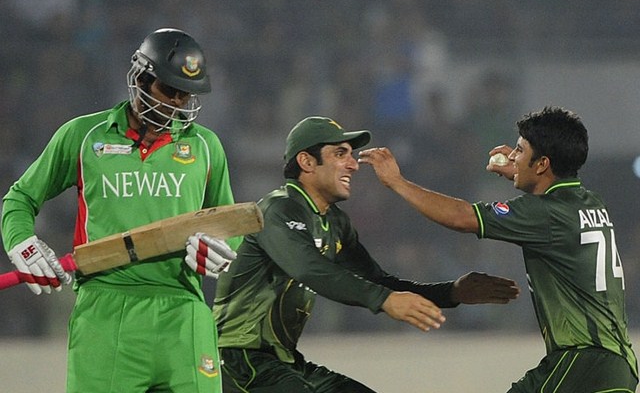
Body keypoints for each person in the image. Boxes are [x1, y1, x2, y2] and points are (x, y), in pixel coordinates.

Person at [1, 28, 239, 393]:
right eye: (168, 90)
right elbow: (20, 198)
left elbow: (227, 222)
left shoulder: (206, 147)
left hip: (184, 310)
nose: (177, 103)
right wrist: (23, 244)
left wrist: (222, 251)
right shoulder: (83, 135)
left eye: (185, 94)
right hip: (105, 310)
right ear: (140, 78)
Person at [210, 116, 520, 393]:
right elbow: (310, 270)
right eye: (340, 154)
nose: (354, 164)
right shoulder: (277, 209)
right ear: (306, 161)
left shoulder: (335, 221)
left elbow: (377, 280)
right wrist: (383, 300)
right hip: (238, 360)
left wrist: (451, 292)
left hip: (284, 363)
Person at [358, 106, 638, 392]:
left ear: (542, 164)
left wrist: (397, 182)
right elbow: (551, 206)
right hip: (619, 365)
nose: (513, 156)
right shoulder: (591, 202)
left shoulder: (544, 212)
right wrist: (524, 176)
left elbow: (462, 217)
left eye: (519, 150)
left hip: (581, 362)